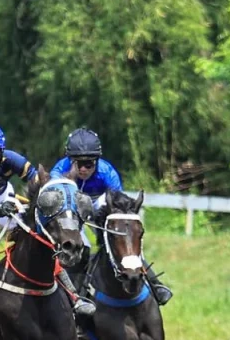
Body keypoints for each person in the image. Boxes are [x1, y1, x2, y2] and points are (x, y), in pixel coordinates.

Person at [0, 118, 96, 318]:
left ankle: (74, 296)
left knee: (38, 234)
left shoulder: (12, 159)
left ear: (1, 153)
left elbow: (42, 184)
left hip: (4, 198)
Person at [52, 127, 172, 306]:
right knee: (79, 250)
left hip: (98, 204)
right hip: (72, 204)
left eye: (89, 164)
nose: (83, 169)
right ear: (70, 160)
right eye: (78, 164)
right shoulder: (59, 171)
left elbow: (120, 209)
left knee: (120, 240)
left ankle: (156, 285)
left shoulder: (108, 173)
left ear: (97, 161)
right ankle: (77, 296)